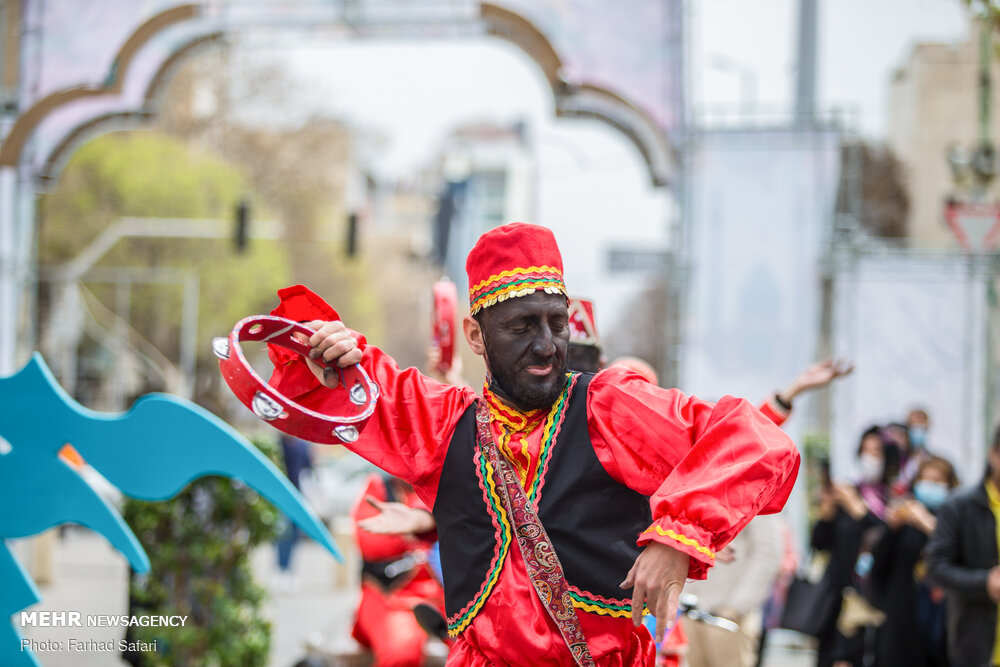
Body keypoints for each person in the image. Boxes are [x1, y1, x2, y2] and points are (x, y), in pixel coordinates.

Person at [265, 222, 800, 666]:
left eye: (556, 323)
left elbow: (756, 441)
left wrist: (677, 537)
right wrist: (324, 349)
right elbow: (340, 387)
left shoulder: (610, 408)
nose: (546, 346)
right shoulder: (443, 425)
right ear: (476, 336)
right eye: (522, 326)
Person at [682, 358, 853, 667]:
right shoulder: (678, 475)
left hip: (726, 617)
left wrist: (735, 609)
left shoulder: (746, 478)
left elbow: (768, 552)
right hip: (684, 616)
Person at [810, 426, 892, 667]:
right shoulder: (847, 492)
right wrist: (827, 511)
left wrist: (859, 509)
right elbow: (819, 543)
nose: (870, 457)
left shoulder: (894, 497)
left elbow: (885, 539)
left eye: (876, 451)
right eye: (865, 450)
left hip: (874, 599)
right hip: (838, 595)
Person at [870, 455, 958, 667]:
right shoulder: (904, 519)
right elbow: (879, 563)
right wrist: (892, 528)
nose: (930, 487)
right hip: (904, 613)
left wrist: (926, 522)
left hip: (943, 614)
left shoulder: (955, 517)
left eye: (937, 482)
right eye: (925, 481)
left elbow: (956, 551)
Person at [351, 473, 445, 666]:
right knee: (401, 653)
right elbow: (370, 542)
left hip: (447, 597)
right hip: (391, 596)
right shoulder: (379, 487)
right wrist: (415, 529)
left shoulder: (446, 482)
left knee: (485, 644)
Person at [926, 424, 1000, 667]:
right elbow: (937, 565)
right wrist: (984, 582)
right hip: (976, 644)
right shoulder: (960, 506)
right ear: (993, 454)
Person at [275, 434, 314, 589]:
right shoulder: (277, 445)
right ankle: (281, 569)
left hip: (298, 498)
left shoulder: (303, 446)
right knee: (281, 535)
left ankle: (289, 571)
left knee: (295, 535)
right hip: (279, 498)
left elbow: (308, 472)